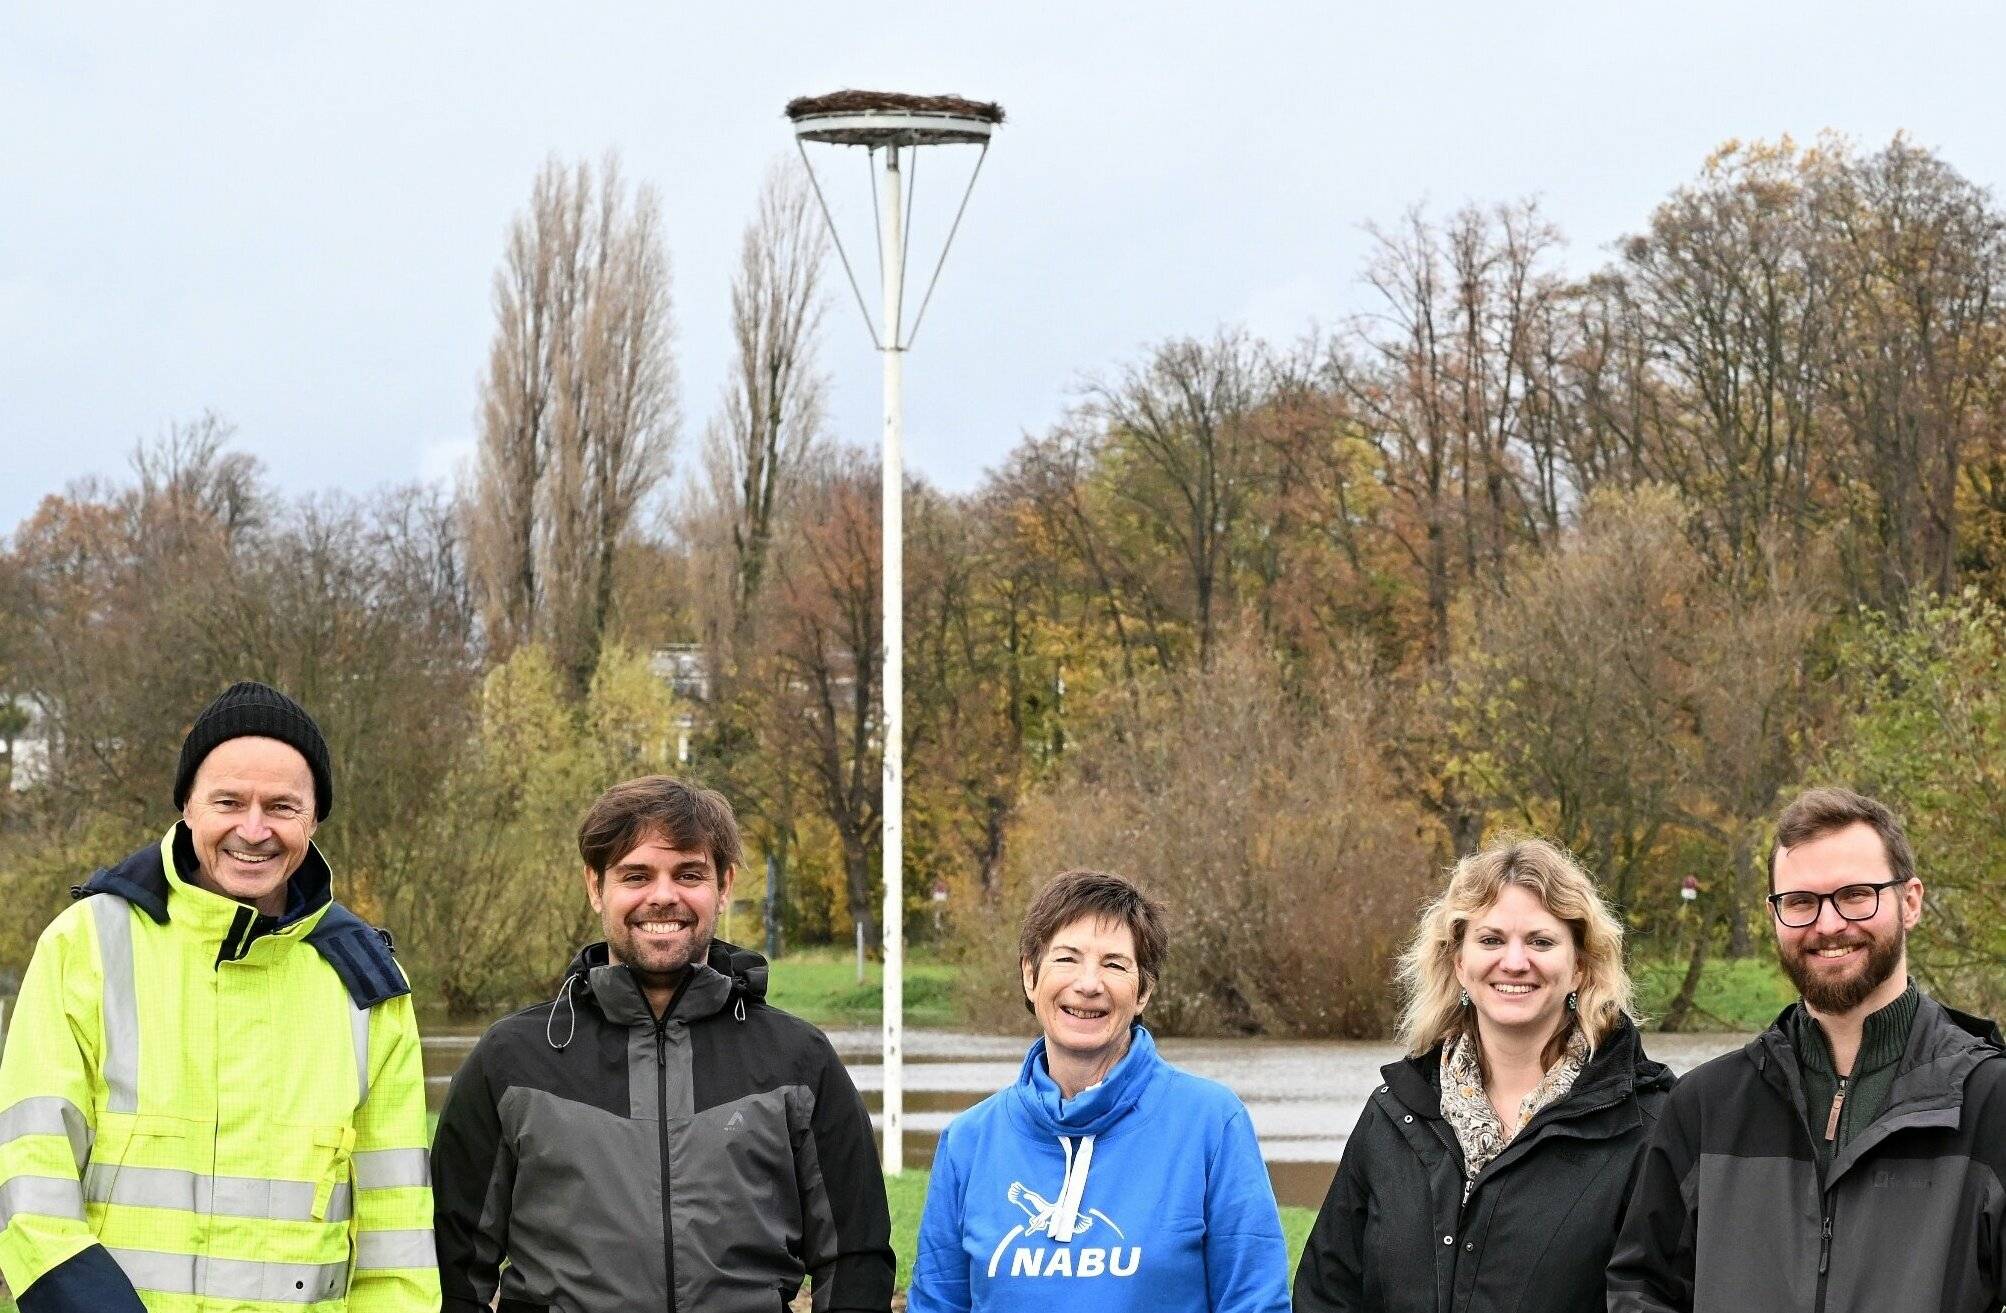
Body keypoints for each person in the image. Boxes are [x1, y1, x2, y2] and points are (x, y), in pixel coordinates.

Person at [0, 681, 439, 1313]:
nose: (253, 830)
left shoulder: (366, 985)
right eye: (228, 801)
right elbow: (28, 1179)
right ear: (186, 807)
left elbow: (397, 1237)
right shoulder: (89, 942)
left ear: (314, 819)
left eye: (282, 807)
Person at [430, 774, 893, 1313]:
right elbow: (452, 1266)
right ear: (594, 886)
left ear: (724, 886)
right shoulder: (511, 1061)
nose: (663, 896)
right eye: (636, 875)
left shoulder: (799, 1061)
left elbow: (855, 1258)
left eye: (689, 874)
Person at [1608, 787, 2006, 1312]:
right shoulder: (1705, 1107)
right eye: (1800, 901)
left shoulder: (1990, 1102)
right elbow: (1642, 1290)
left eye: (1856, 894)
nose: (1828, 924)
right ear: (1774, 914)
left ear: (1910, 902)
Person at [1294, 837, 1674, 1313]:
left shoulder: (1649, 1126)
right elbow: (1327, 1294)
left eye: (1541, 941)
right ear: (1459, 962)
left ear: (1579, 966)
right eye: (1491, 940)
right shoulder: (1392, 1117)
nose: (1514, 962)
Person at [907, 868, 1290, 1313]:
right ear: (1030, 976)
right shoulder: (968, 1142)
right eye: (1066, 958)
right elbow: (936, 1304)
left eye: (1114, 964)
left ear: (1143, 990)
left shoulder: (1211, 1124)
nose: (1089, 984)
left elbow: (1254, 1302)